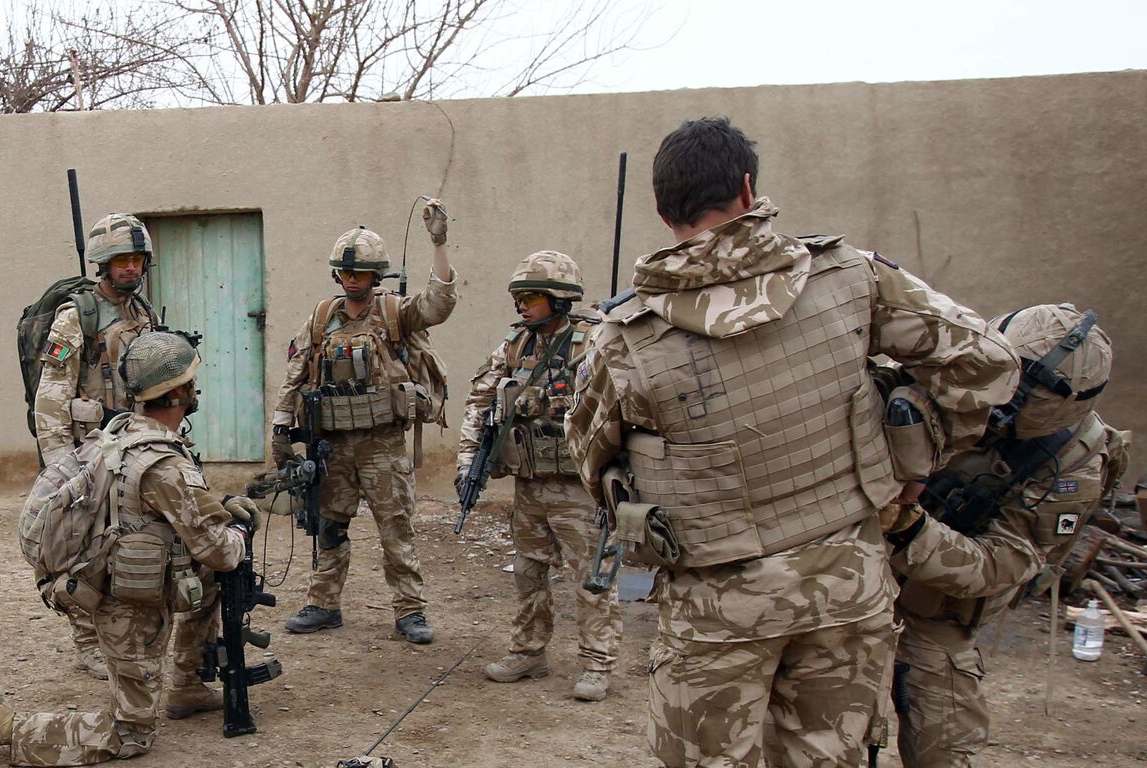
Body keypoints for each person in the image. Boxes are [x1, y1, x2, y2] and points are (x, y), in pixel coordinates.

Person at [567, 117, 1019, 766]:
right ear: (748, 190)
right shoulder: (852, 279)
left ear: (665, 211)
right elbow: (989, 363)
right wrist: (920, 458)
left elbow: (593, 461)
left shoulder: (623, 338)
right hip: (847, 587)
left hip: (715, 608)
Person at [0, 331, 256, 766]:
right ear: (177, 393)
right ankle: (10, 728)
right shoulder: (164, 462)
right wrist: (239, 533)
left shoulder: (121, 433)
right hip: (127, 608)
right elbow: (220, 551)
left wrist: (219, 507)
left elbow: (161, 512)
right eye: (191, 381)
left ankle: (188, 684)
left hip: (116, 582)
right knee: (131, 734)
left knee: (208, 582)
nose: (195, 389)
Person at [885, 304, 1129, 767]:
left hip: (935, 605)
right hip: (844, 575)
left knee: (942, 744)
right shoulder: (941, 364)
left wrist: (909, 530)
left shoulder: (1074, 461)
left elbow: (1009, 562)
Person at [275, 201, 457, 644]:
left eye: (360, 273)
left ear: (377, 276)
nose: (352, 279)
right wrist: (282, 425)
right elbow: (296, 373)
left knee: (396, 528)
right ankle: (323, 603)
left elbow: (439, 304)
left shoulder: (396, 313)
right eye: (345, 273)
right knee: (328, 527)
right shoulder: (321, 319)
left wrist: (439, 243)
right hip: (334, 447)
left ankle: (409, 611)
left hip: (382, 445)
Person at [457, 250, 621, 701]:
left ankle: (597, 663)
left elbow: (619, 406)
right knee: (529, 570)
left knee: (591, 576)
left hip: (578, 488)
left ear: (561, 299)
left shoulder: (593, 343)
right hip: (530, 484)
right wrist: (467, 461)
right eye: (518, 298)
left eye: (531, 297)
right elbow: (479, 401)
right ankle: (530, 651)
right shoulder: (515, 345)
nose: (522, 306)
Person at [35, 212, 160, 680]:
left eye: (136, 259)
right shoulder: (75, 318)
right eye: (121, 260)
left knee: (135, 544)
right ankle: (87, 640)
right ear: (103, 265)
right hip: (87, 453)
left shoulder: (142, 312)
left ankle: (127, 632)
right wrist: (58, 470)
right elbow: (50, 398)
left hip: (134, 449)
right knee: (83, 552)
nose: (131, 268)